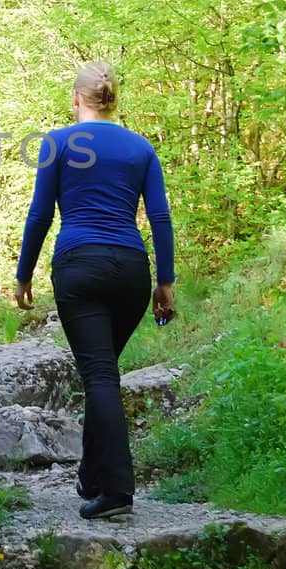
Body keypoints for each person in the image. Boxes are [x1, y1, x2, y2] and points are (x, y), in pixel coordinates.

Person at [14, 61, 175, 520]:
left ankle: (118, 492)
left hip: (79, 267)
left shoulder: (59, 142)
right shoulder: (141, 147)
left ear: (75, 99)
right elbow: (160, 219)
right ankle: (92, 473)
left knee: (99, 375)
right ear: (112, 100)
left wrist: (24, 274)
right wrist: (165, 282)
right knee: (102, 372)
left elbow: (39, 215)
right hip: (130, 271)